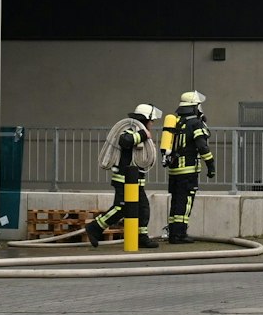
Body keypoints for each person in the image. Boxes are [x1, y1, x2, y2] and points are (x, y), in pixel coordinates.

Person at [85, 103, 159, 248]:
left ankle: (141, 237)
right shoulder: (130, 129)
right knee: (121, 208)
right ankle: (95, 227)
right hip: (124, 179)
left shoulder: (139, 131)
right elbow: (125, 141)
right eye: (151, 120)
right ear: (145, 119)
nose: (152, 123)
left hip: (136, 180)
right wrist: (143, 135)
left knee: (143, 209)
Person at [159, 90, 215, 244]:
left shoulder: (176, 122)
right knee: (186, 202)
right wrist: (211, 165)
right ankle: (180, 235)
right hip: (188, 170)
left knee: (176, 201)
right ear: (194, 107)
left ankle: (173, 233)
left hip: (174, 170)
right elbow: (202, 146)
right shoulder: (195, 123)